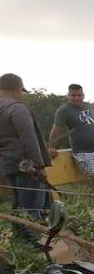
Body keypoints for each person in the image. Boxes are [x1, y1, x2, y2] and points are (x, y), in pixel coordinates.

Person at [49, 84, 94, 214]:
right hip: (82, 150)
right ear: (68, 95)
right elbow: (57, 129)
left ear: (83, 95)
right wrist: (52, 146)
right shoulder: (63, 110)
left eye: (79, 95)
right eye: (73, 95)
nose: (77, 98)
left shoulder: (89, 106)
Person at [0, 73, 51, 245]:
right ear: (18, 89)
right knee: (31, 208)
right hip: (26, 167)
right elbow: (30, 140)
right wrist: (39, 166)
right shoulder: (17, 108)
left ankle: (19, 247)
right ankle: (33, 247)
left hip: (7, 165)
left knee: (17, 206)